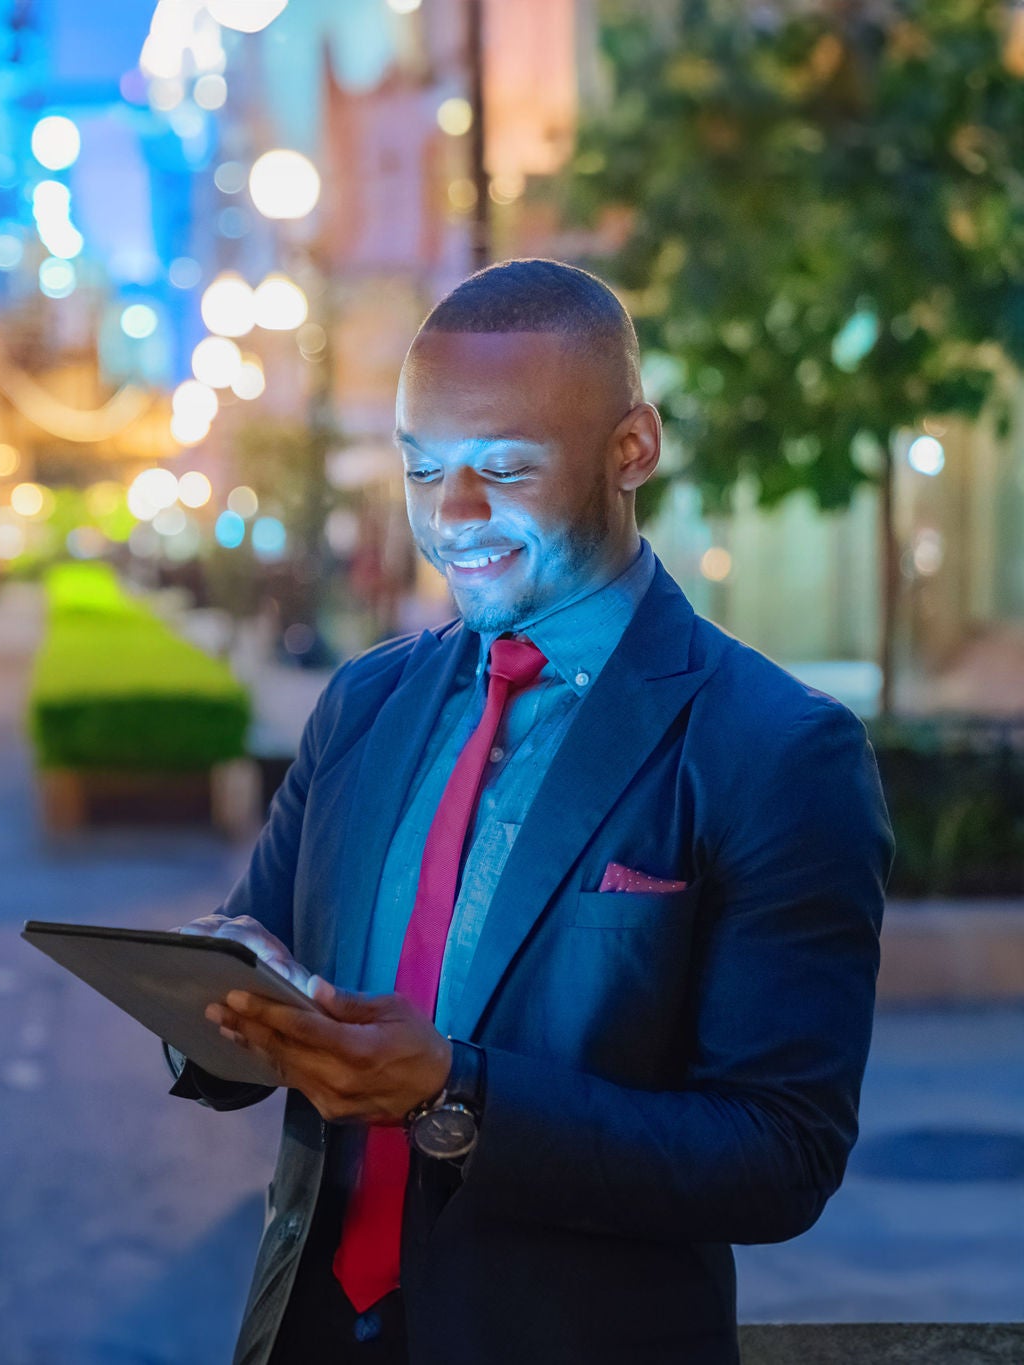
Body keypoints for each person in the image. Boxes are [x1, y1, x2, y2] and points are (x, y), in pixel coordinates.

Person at [167, 259, 893, 1365]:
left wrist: (451, 1095)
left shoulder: (774, 748)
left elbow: (779, 1154)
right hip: (312, 1333)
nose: (452, 517)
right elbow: (253, 972)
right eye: (421, 472)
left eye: (503, 468)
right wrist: (209, 1007)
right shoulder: (364, 702)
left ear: (630, 449)